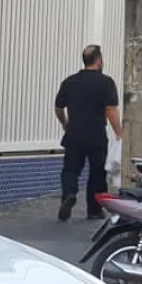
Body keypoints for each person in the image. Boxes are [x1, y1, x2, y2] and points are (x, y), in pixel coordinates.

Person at [54, 45, 122, 221]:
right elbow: (110, 109)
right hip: (96, 135)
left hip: (74, 134)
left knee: (70, 169)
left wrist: (65, 123)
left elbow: (58, 107)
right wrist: (119, 132)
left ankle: (69, 194)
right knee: (97, 172)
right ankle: (94, 210)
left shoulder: (70, 82)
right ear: (99, 60)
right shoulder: (106, 83)